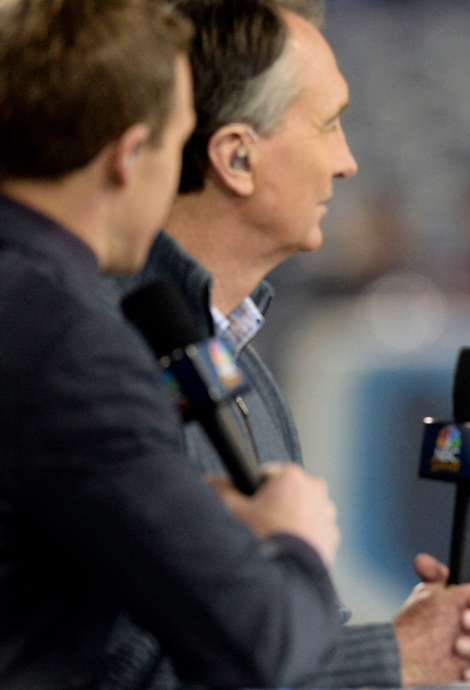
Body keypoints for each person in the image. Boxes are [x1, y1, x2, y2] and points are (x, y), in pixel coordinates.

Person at [106, 1, 470, 686]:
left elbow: (283, 648)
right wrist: (400, 655)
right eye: (329, 124)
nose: (348, 163)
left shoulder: (240, 365)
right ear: (236, 156)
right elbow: (131, 669)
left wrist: (422, 641)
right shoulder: (106, 359)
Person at [0, 1, 355, 687]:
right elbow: (259, 651)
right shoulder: (75, 344)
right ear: (131, 156)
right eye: (177, 143)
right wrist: (292, 538)